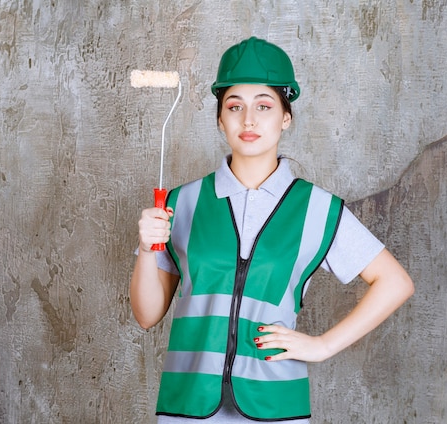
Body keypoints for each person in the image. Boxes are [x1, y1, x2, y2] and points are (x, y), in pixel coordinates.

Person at [130, 37, 414, 423]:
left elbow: (395, 282)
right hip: (187, 406)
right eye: (235, 107)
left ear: (285, 117)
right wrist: (148, 250)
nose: (249, 120)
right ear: (219, 119)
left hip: (275, 407)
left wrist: (323, 345)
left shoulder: (318, 209)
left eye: (264, 106)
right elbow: (147, 316)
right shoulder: (181, 204)